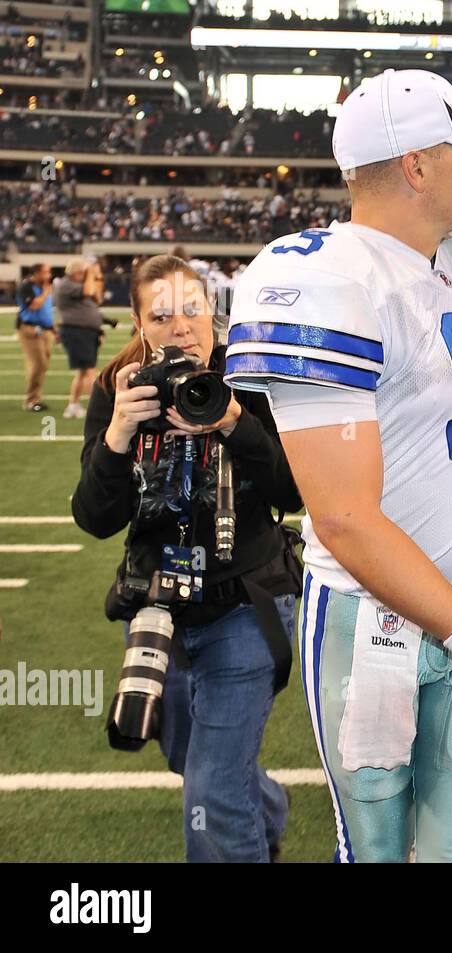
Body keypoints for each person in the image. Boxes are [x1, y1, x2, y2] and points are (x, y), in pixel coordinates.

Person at [223, 69, 452, 863]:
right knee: (378, 849)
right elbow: (346, 517)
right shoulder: (323, 276)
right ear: (418, 164)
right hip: (372, 618)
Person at [71, 254, 303, 862]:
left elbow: (295, 493)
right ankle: (267, 809)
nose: (181, 328)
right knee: (189, 756)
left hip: (245, 603)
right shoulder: (120, 389)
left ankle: (243, 818)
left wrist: (231, 421)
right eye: (163, 315)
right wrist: (119, 434)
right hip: (156, 612)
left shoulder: (251, 376)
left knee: (213, 788)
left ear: (212, 309)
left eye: (191, 310)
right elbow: (95, 519)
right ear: (139, 323)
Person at [54, 257, 107, 419]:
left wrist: (96, 277)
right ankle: (100, 407)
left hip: (84, 332)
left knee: (84, 372)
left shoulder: (78, 284)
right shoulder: (66, 284)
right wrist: (91, 273)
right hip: (76, 332)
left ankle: (73, 405)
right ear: (77, 272)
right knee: (90, 371)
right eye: (83, 273)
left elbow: (97, 298)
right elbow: (89, 292)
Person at [17, 262, 55, 412]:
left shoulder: (43, 287)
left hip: (46, 330)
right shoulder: (26, 286)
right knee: (38, 364)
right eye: (46, 272)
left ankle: (36, 398)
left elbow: (46, 310)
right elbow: (34, 305)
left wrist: (53, 329)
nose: (49, 276)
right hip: (30, 329)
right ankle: (31, 400)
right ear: (37, 273)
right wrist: (46, 292)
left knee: (42, 365)